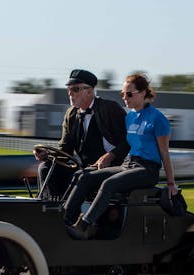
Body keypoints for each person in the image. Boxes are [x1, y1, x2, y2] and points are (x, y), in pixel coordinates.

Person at [64, 73, 179, 239]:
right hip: (128, 164)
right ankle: (65, 218)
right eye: (123, 94)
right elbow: (124, 144)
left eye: (129, 94)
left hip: (147, 169)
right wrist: (109, 156)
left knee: (109, 183)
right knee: (84, 176)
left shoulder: (158, 119)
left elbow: (164, 153)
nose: (125, 97)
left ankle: (85, 224)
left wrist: (170, 183)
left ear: (143, 93)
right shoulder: (130, 117)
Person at [34, 69, 129, 199]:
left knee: (81, 176)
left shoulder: (110, 108)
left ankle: (71, 211)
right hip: (82, 167)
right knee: (45, 168)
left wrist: (111, 156)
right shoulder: (71, 114)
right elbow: (65, 149)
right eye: (68, 89)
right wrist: (47, 155)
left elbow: (129, 140)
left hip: (109, 166)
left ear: (89, 91)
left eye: (75, 89)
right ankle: (51, 207)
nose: (70, 93)